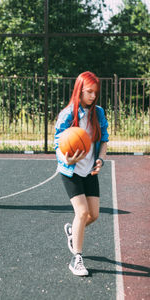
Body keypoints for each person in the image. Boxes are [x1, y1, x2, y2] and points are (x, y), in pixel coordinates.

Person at [54, 71, 109, 276]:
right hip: (71, 171)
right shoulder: (68, 114)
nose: (93, 96)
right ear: (79, 90)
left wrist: (100, 159)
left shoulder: (99, 113)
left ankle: (72, 231)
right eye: (89, 92)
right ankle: (76, 258)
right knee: (82, 212)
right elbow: (57, 143)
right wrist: (65, 158)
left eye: (95, 92)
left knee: (93, 215)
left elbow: (104, 140)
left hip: (89, 171)